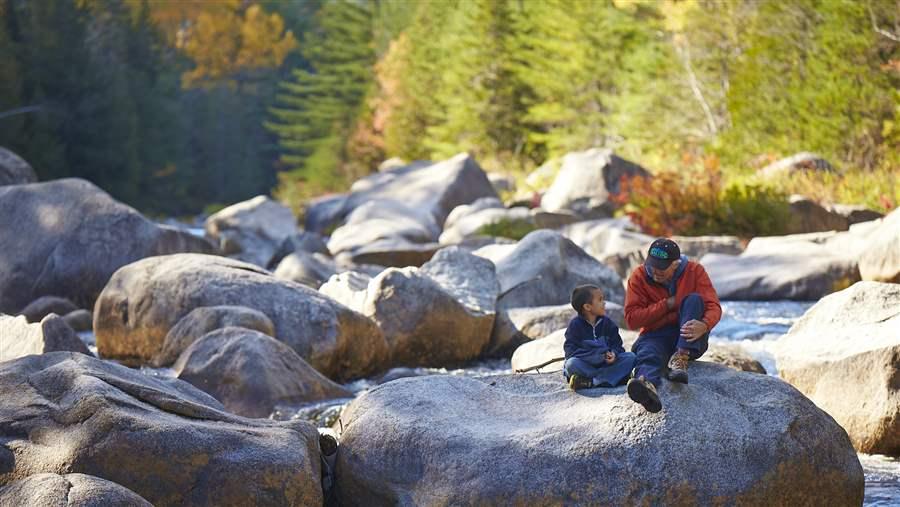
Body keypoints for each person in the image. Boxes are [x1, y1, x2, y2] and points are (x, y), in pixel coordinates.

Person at [623, 238, 722, 413]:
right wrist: (666, 304)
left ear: (675, 264)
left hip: (689, 335)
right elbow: (631, 319)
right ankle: (646, 387)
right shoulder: (638, 276)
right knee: (648, 353)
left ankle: (680, 359)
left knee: (694, 300)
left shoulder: (695, 270)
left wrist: (705, 325)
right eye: (653, 265)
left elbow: (713, 305)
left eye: (662, 267)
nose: (655, 271)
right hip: (656, 334)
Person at [564, 285, 637, 390]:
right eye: (600, 300)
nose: (604, 303)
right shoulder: (575, 326)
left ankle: (591, 382)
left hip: (606, 365)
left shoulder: (607, 323)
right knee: (571, 364)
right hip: (587, 365)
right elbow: (571, 352)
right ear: (587, 307)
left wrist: (614, 354)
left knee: (631, 357)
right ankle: (611, 379)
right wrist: (598, 356)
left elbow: (617, 346)